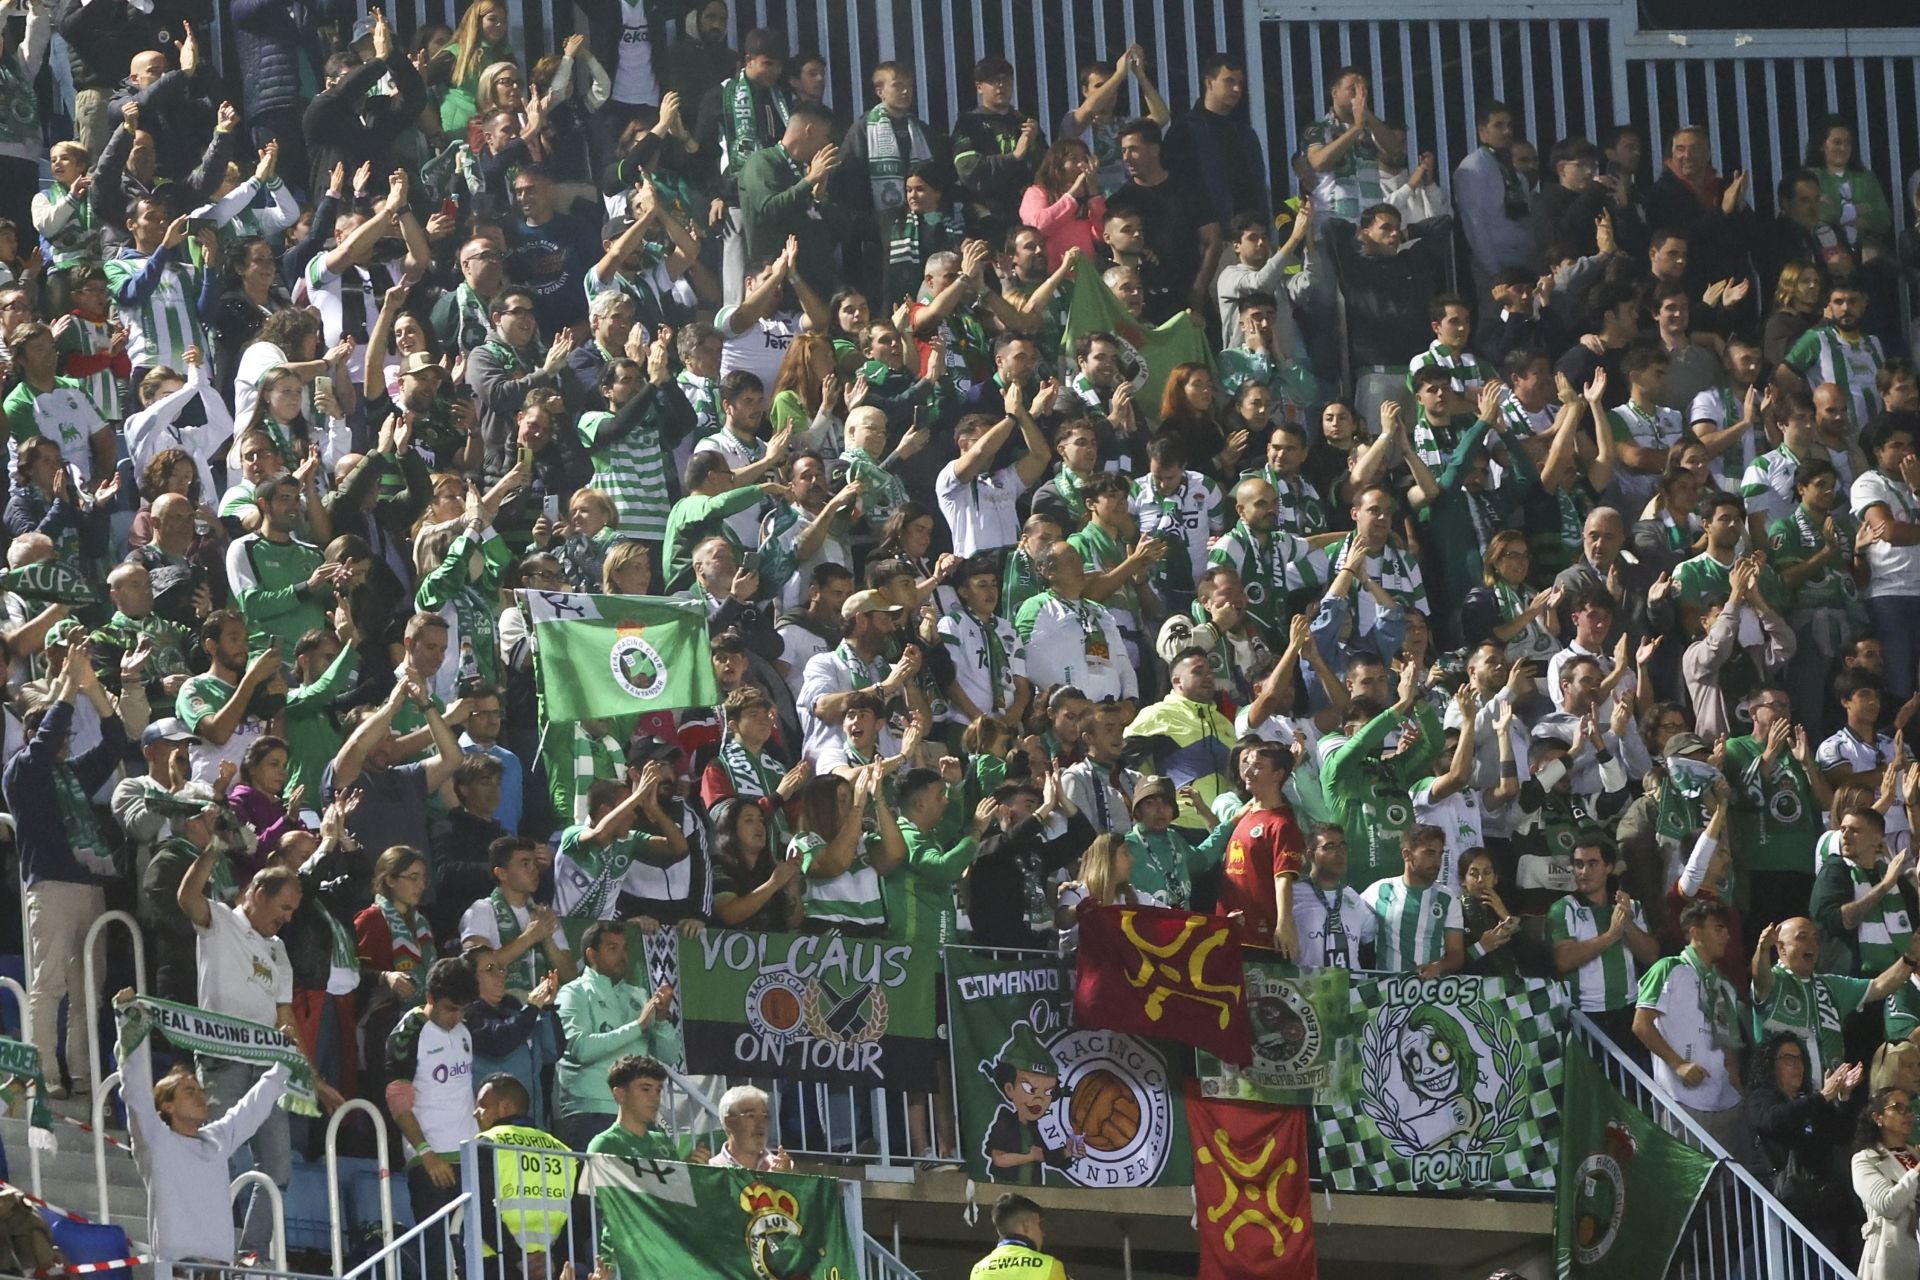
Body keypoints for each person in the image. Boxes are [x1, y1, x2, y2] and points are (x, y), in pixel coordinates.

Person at [114, 987, 290, 1274]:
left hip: (219, 1272)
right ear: (167, 1106)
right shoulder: (155, 1139)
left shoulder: (216, 1139)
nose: (200, 1096)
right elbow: (133, 1088)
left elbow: (253, 1107)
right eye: (188, 1091)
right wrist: (125, 1020)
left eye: (199, 1089)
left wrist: (283, 1062)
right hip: (178, 1272)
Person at [1636, 897, 1753, 1160]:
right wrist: (1679, 1065)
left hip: (1726, 1103)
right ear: (1695, 933)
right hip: (1683, 1101)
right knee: (1688, 1187)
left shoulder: (1723, 984)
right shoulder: (1669, 969)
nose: (1726, 935)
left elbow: (1730, 1048)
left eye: (1727, 928)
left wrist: (1739, 1092)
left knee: (1725, 1189)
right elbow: (1641, 1025)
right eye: (1718, 928)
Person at [554, 921, 678, 1151]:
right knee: (593, 1188)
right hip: (590, 1111)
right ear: (591, 954)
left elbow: (669, 1056)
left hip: (637, 1114)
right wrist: (637, 1026)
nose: (622, 955)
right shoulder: (573, 992)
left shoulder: (638, 995)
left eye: (624, 948)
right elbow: (580, 1049)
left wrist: (660, 1019)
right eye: (612, 948)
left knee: (647, 1188)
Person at [1852, 1087, 1920, 1280]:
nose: (1906, 1114)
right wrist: (1916, 1172)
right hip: (1893, 1257)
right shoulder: (1865, 1159)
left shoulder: (1915, 1155)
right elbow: (1887, 1205)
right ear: (1878, 1118)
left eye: (1909, 1109)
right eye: (1898, 1108)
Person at [970, 1192, 1068, 1280]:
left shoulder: (978, 1269)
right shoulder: (1050, 1266)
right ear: (1026, 1227)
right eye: (1039, 1224)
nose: (1042, 1233)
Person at [710, 1083, 791, 1171]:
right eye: (751, 1116)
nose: (761, 1123)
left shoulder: (782, 1168)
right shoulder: (712, 1169)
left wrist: (784, 1180)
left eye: (765, 1117)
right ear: (729, 1122)